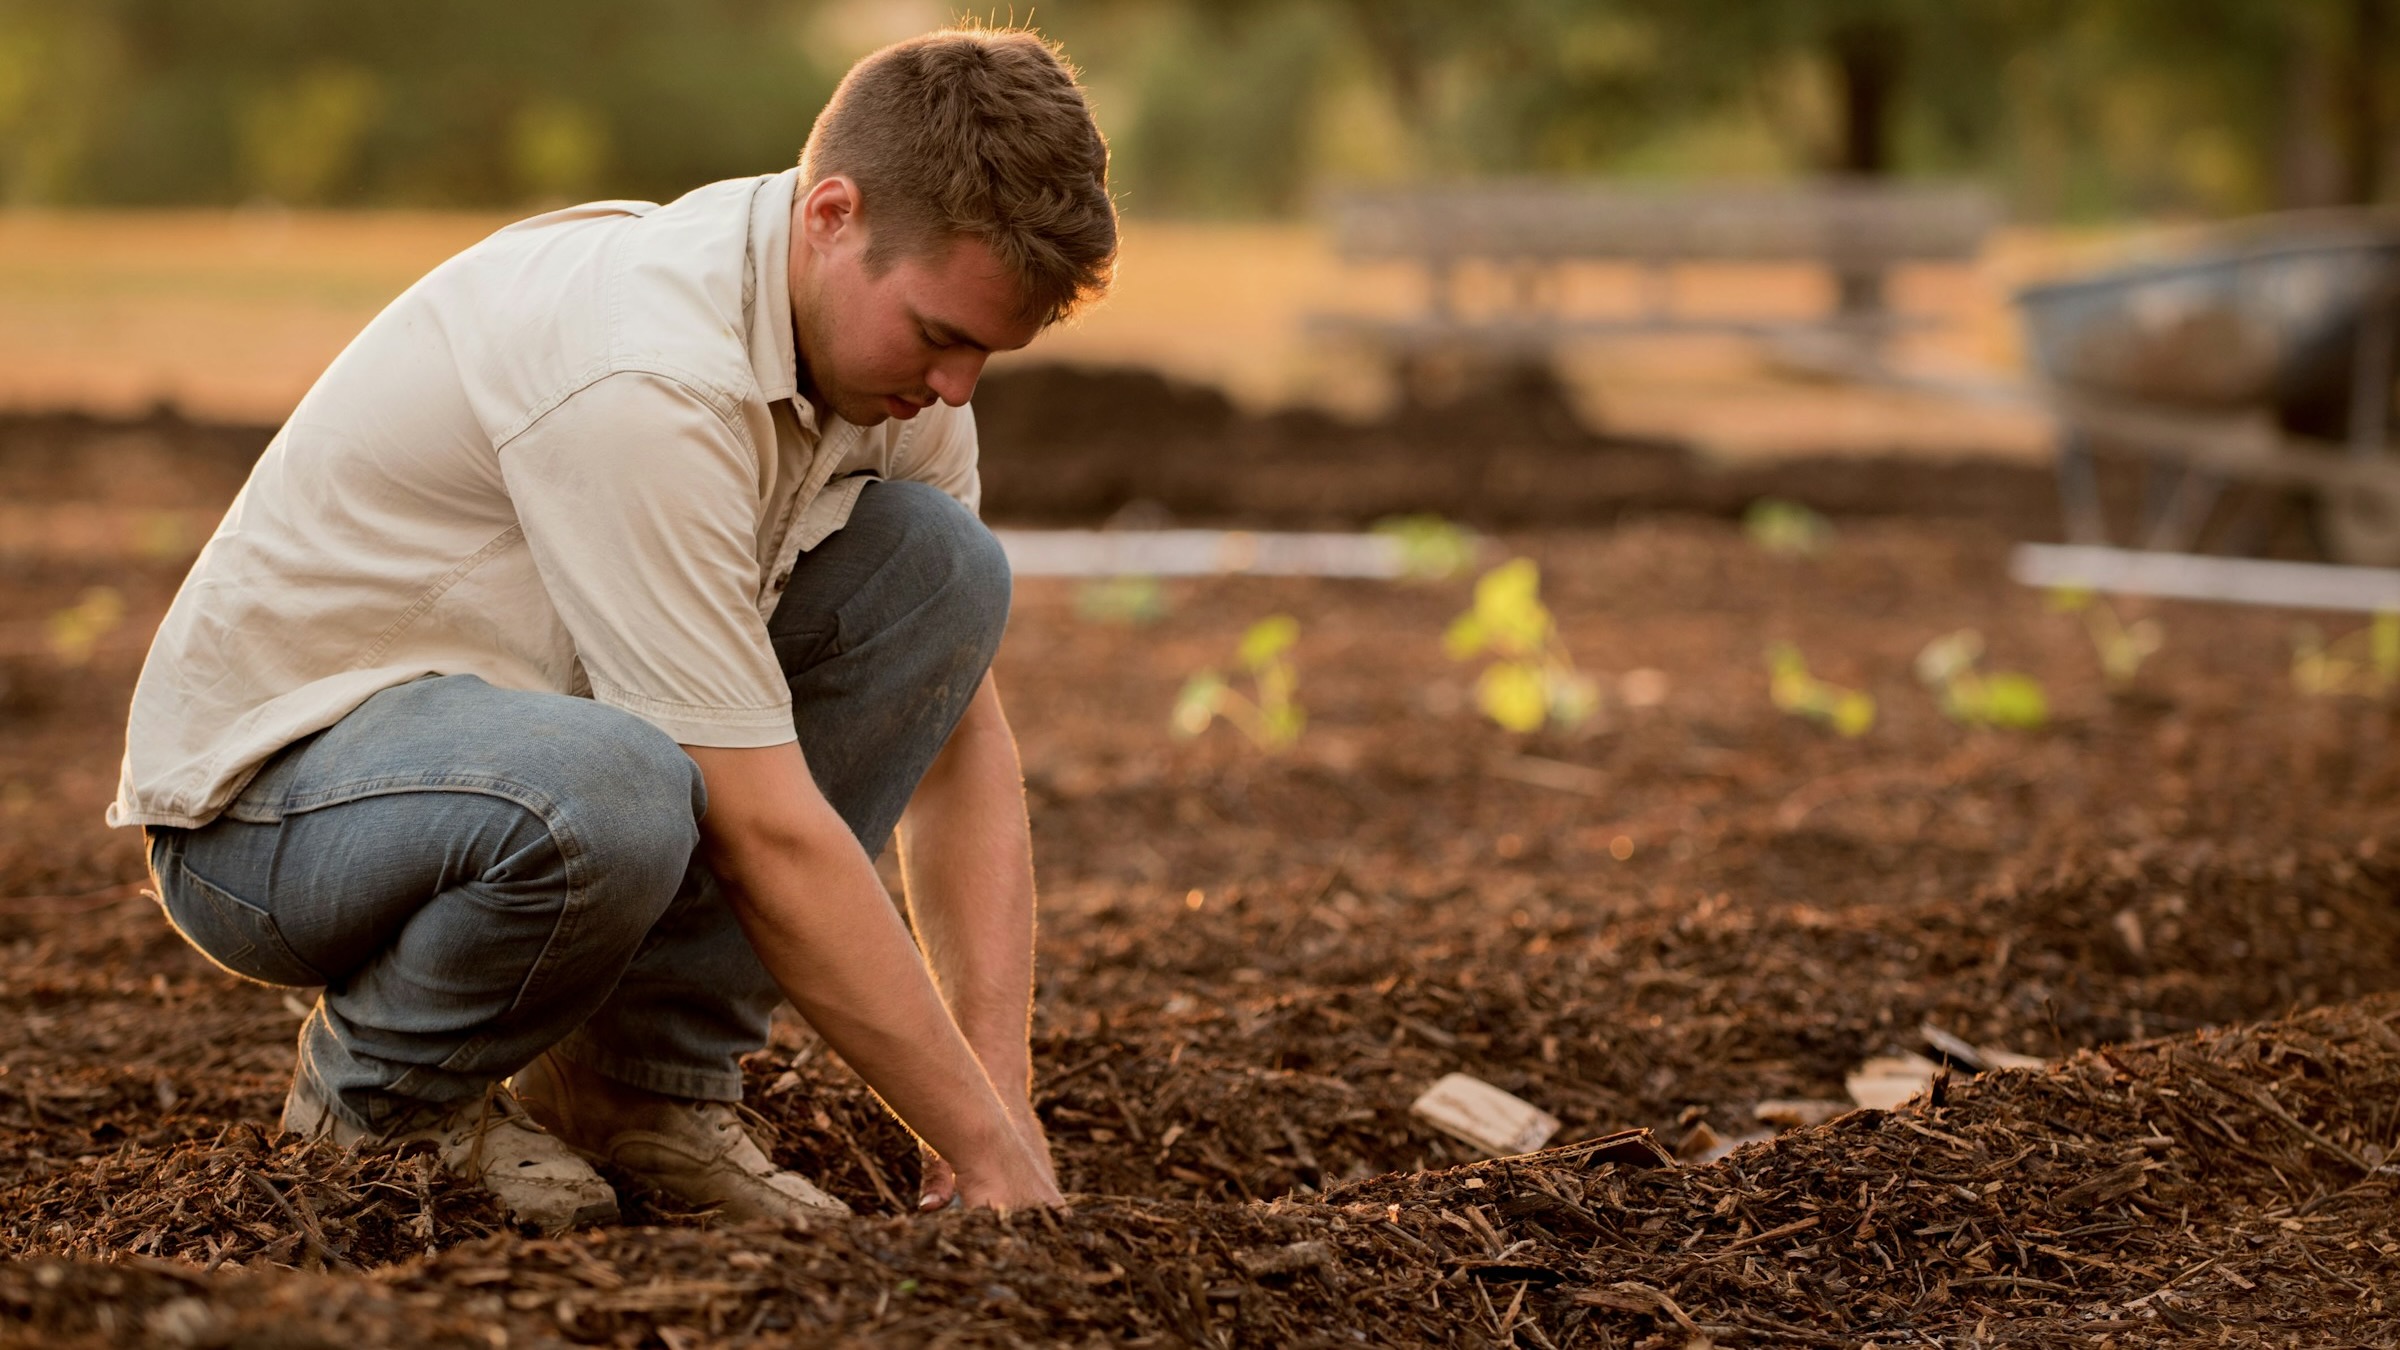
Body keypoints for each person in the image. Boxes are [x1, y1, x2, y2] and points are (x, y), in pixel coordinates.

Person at [108, 26, 1115, 1232]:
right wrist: (976, 1145)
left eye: (986, 352)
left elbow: (956, 739)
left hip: (520, 753)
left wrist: (999, 1107)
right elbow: (765, 831)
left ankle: (638, 1088)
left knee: (941, 570)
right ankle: (384, 1103)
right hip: (270, 812)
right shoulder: (647, 375)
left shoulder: (890, 377)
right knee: (620, 787)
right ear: (832, 216)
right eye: (941, 335)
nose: (957, 388)